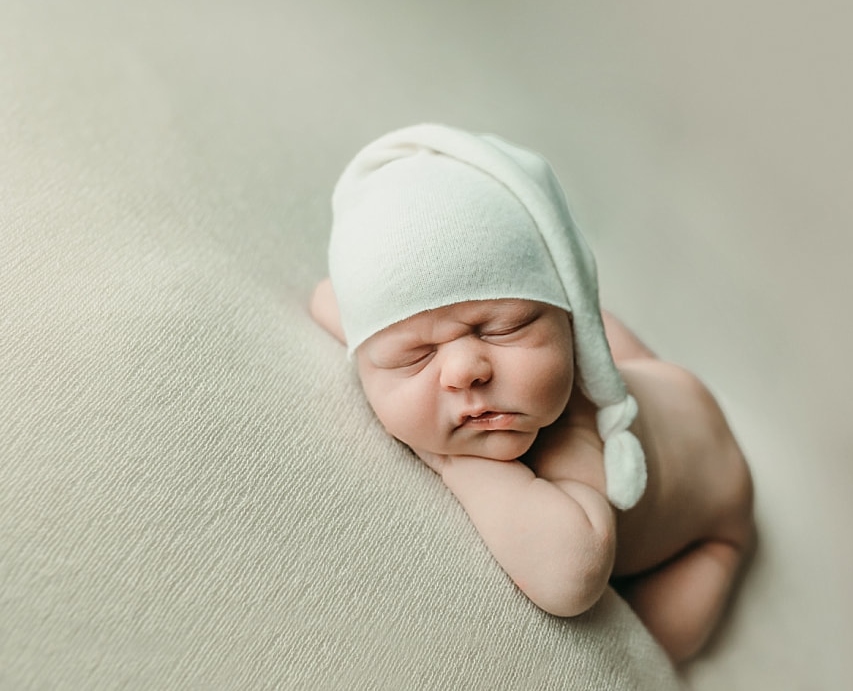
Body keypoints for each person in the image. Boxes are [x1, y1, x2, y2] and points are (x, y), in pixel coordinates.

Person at [310, 124, 754, 664]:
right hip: (665, 381)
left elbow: (571, 577)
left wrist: (450, 461)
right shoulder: (418, 345)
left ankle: (726, 551)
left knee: (659, 644)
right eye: (416, 356)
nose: (464, 369)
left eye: (502, 328)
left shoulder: (574, 434)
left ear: (571, 323)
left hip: (718, 507)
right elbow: (328, 300)